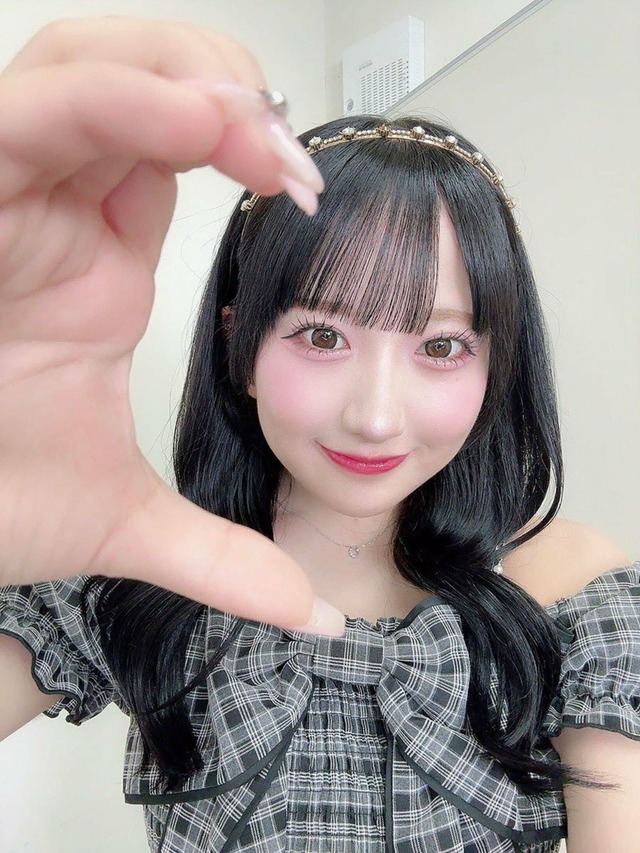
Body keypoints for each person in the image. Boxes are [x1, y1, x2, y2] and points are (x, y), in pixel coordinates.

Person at [0, 16, 638, 853]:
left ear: (496, 362)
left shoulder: (574, 592)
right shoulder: (142, 571)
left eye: (441, 346)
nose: (376, 415)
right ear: (240, 346)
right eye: (324, 335)